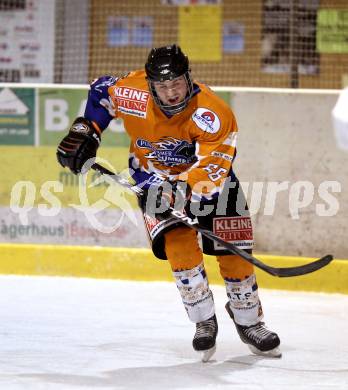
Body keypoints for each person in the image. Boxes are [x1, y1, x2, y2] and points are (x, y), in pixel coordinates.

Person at [56, 44, 281, 361]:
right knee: (180, 248)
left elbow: (212, 170)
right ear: (150, 85)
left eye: (176, 83)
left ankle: (248, 320)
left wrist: (178, 192)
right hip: (152, 177)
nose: (171, 92)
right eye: (162, 86)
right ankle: (203, 319)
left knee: (234, 250)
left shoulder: (214, 114)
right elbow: (99, 95)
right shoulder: (131, 93)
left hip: (210, 181)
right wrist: (85, 131)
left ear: (188, 78)